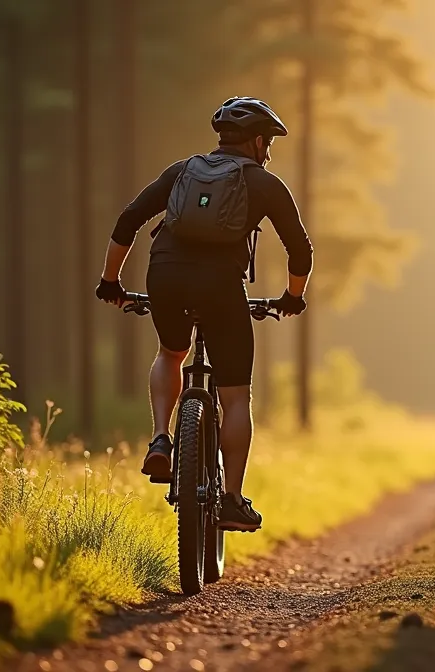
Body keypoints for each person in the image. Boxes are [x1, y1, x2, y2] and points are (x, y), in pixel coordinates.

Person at [95, 96, 313, 533]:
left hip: (166, 275)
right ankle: (231, 498)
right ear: (255, 142)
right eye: (267, 143)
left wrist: (111, 281)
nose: (267, 151)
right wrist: (291, 298)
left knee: (171, 352)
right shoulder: (264, 183)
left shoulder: (181, 172)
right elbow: (300, 250)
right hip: (220, 286)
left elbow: (128, 219)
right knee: (235, 395)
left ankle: (161, 437)